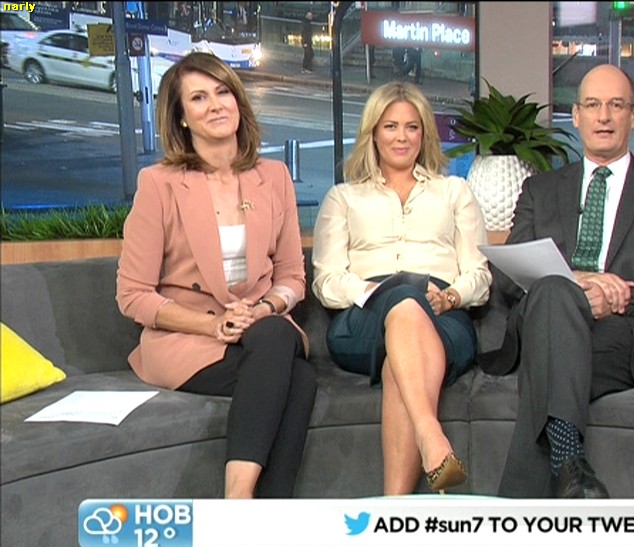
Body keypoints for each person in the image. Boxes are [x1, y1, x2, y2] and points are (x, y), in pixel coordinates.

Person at [480, 64, 634, 498]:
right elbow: (507, 276)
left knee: (549, 364)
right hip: (547, 317)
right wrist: (574, 281)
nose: (604, 116)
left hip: (624, 333)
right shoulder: (540, 189)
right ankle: (571, 466)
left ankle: (527, 513)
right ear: (577, 115)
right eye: (593, 105)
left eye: (616, 105)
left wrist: (618, 295)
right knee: (554, 292)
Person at [116, 52, 317, 499]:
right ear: (181, 117)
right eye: (199, 97)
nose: (215, 105)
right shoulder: (159, 184)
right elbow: (132, 294)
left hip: (260, 330)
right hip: (189, 341)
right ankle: (242, 505)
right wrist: (213, 325)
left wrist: (264, 307)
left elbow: (292, 276)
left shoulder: (274, 176)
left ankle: (242, 514)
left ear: (238, 101)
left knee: (276, 337)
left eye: (223, 92)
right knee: (297, 375)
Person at [311, 81, 491, 495]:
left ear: (424, 134)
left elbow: (479, 276)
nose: (401, 137)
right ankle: (431, 435)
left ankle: (395, 510)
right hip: (363, 319)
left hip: (442, 316)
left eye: (412, 127)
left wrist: (451, 296)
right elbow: (326, 281)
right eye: (390, 126)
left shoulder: (454, 192)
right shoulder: (343, 198)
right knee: (403, 299)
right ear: (373, 133)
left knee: (400, 361)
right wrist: (375, 292)